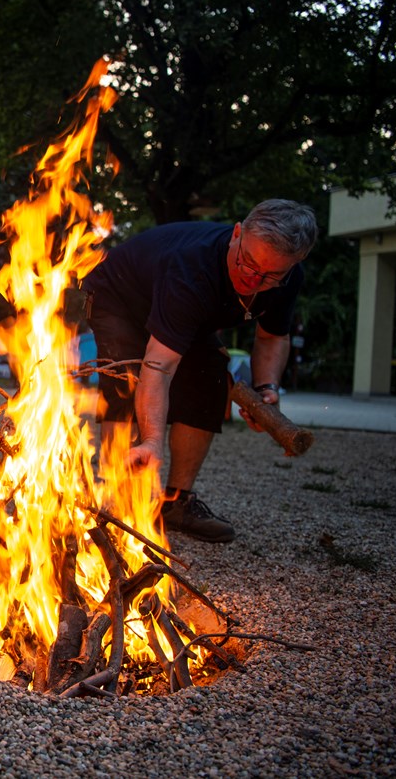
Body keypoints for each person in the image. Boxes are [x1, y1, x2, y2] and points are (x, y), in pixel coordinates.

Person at [81, 199, 318, 543]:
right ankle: (122, 507)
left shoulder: (288, 278)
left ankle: (177, 503)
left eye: (269, 275)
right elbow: (159, 367)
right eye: (247, 263)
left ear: (295, 264)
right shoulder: (192, 268)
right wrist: (151, 440)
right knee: (127, 381)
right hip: (120, 295)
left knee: (209, 376)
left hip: (185, 312)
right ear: (237, 233)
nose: (252, 280)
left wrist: (267, 388)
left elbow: (271, 336)